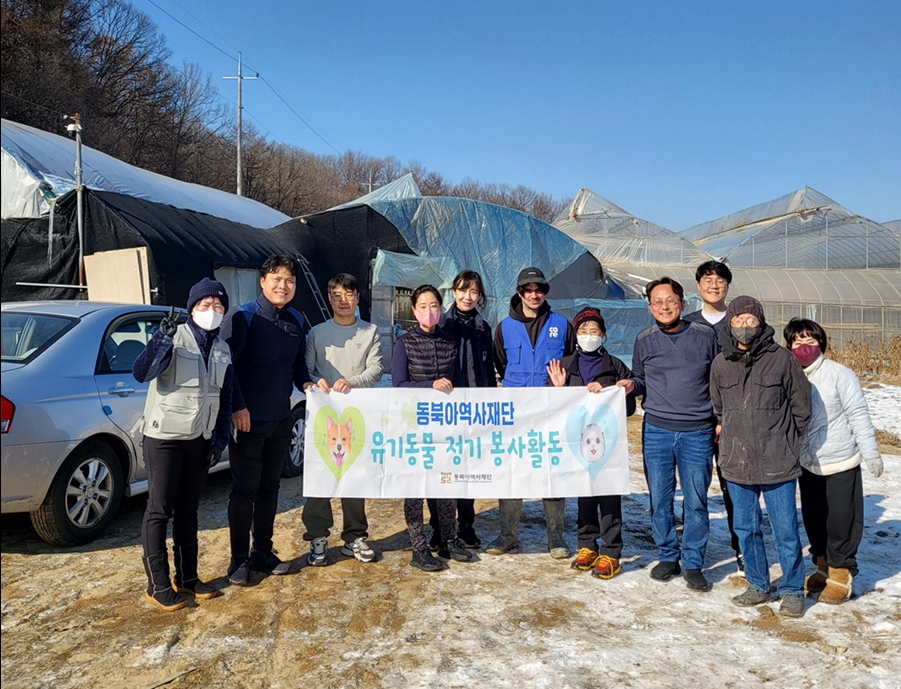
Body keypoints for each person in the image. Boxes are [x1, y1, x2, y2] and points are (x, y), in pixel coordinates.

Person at [132, 278, 233, 610]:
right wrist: (160, 338)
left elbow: (225, 397)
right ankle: (157, 584)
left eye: (218, 307)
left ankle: (188, 578)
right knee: (159, 509)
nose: (212, 312)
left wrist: (218, 440)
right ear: (192, 309)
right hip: (164, 438)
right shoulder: (175, 337)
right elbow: (142, 372)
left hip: (199, 441)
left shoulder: (222, 348)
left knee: (189, 511)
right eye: (205, 306)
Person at [710, 296, 811, 618]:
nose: (744, 327)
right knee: (746, 527)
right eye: (738, 320)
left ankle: (793, 589)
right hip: (737, 460)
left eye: (750, 321)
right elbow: (718, 408)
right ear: (730, 323)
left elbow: (802, 408)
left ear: (761, 323)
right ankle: (758, 583)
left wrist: (784, 440)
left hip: (777, 459)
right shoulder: (721, 363)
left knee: (785, 529)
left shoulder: (782, 360)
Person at [617, 277, 718, 591]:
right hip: (657, 430)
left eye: (670, 300)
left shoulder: (705, 336)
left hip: (697, 430)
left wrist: (720, 418)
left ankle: (693, 561)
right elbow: (640, 379)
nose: (664, 306)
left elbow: (720, 380)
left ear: (682, 303)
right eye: (657, 302)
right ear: (649, 307)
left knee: (696, 500)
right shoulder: (644, 339)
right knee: (660, 499)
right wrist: (632, 386)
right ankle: (667, 555)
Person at [221, 255, 312, 586]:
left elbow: (298, 365)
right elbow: (228, 367)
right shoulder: (243, 317)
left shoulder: (297, 320)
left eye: (289, 279)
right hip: (247, 419)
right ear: (262, 281)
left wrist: (307, 383)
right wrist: (238, 407)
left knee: (270, 488)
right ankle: (238, 561)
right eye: (276, 277)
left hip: (280, 418)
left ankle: (263, 550)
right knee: (244, 490)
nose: (282, 285)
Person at [784, 318, 884, 604]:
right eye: (797, 342)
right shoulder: (789, 375)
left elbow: (858, 415)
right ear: (789, 346)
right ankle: (822, 567)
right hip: (807, 462)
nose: (804, 347)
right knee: (815, 519)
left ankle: (841, 574)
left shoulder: (840, 374)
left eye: (810, 340)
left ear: (822, 343)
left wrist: (871, 452)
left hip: (840, 461)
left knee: (841, 520)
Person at [488, 267, 575, 559]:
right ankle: (507, 535)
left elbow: (572, 361)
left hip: (551, 410)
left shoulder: (561, 324)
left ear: (545, 292)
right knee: (513, 472)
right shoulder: (504, 327)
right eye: (528, 289)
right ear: (519, 293)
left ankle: (556, 537)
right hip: (516, 412)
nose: (534, 294)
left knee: (551, 471)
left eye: (539, 289)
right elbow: (501, 363)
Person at [547, 307, 636, 579]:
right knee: (584, 494)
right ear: (576, 336)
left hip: (607, 444)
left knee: (608, 494)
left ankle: (611, 551)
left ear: (604, 336)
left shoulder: (615, 366)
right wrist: (560, 389)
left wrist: (614, 391)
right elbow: (549, 407)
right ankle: (586, 545)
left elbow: (629, 407)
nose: (589, 336)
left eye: (594, 332)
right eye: (584, 332)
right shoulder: (563, 366)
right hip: (577, 443)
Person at [302, 273, 383, 566]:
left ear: (357, 298)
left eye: (348, 294)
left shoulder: (370, 331)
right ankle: (317, 536)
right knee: (319, 476)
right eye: (336, 295)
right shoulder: (317, 333)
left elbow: (376, 369)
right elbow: (307, 371)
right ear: (329, 299)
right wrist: (315, 382)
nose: (343, 300)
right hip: (323, 415)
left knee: (354, 476)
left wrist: (352, 381)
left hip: (356, 414)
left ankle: (355, 537)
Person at [393, 284, 474, 571]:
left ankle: (448, 540)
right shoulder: (404, 343)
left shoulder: (450, 341)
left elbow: (460, 382)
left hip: (447, 425)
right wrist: (431, 385)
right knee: (415, 486)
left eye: (434, 306)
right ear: (414, 310)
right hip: (415, 425)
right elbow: (399, 385)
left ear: (441, 309)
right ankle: (419, 548)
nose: (429, 311)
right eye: (423, 306)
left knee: (446, 483)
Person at [426, 270, 495, 550]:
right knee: (440, 469)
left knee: (468, 469)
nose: (468, 297)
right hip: (445, 409)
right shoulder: (442, 324)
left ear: (480, 296)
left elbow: (488, 369)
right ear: (453, 292)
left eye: (474, 292)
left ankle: (466, 525)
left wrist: (490, 404)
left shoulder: (484, 327)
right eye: (463, 290)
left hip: (474, 410)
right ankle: (439, 527)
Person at [683, 260, 743, 570]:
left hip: (731, 418)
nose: (714, 285)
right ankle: (690, 551)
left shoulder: (738, 323)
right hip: (694, 417)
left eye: (720, 280)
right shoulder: (687, 322)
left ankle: (743, 547)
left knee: (734, 483)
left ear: (728, 286)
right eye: (708, 280)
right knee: (694, 486)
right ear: (698, 286)